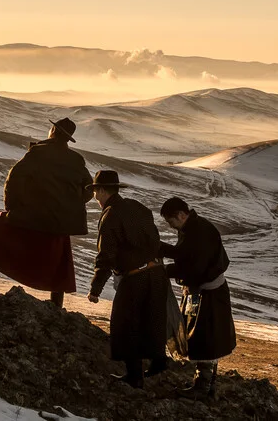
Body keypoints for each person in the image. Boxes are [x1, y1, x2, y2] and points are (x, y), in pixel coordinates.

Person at [0, 117, 93, 307]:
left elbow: (14, 179)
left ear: (52, 131)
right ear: (68, 139)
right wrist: (71, 204)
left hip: (29, 216)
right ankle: (56, 307)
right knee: (58, 263)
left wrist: (11, 208)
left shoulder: (37, 153)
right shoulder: (76, 160)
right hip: (59, 223)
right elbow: (89, 189)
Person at [87, 170, 169, 389]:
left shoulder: (110, 215)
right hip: (157, 273)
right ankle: (159, 361)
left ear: (102, 190)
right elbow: (154, 239)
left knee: (125, 325)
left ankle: (135, 376)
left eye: (95, 191)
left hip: (135, 278)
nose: (95, 197)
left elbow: (106, 256)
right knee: (151, 320)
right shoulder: (137, 207)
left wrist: (95, 288)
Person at [159, 197, 237, 399]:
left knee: (204, 337)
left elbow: (193, 267)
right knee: (206, 336)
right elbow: (185, 255)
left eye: (171, 221)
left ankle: (202, 387)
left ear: (181, 215)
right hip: (206, 291)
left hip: (207, 293)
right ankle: (206, 386)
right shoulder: (193, 228)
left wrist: (164, 270)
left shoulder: (198, 232)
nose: (171, 226)